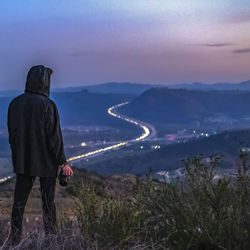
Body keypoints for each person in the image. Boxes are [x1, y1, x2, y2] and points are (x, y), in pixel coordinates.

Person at [7, 65, 73, 245]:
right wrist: (63, 162)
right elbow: (54, 138)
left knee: (18, 204)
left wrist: (19, 155)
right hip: (46, 162)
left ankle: (14, 242)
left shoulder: (15, 103)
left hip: (23, 161)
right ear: (46, 82)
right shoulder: (48, 105)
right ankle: (52, 241)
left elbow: (12, 135)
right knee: (48, 204)